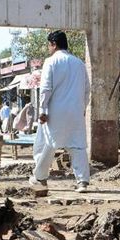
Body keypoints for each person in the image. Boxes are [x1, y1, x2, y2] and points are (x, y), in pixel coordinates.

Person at [29, 30, 91, 193]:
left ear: (54, 44)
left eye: (49, 45)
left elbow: (46, 89)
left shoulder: (51, 62)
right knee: (77, 145)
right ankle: (82, 181)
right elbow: (87, 90)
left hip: (55, 111)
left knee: (48, 144)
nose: (48, 48)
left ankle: (40, 177)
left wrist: (43, 109)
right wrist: (82, 108)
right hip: (76, 111)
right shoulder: (79, 63)